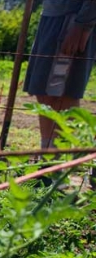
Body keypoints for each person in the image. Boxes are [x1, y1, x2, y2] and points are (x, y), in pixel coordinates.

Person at [24, 0, 96, 151]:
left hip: (73, 18)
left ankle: (60, 160)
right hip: (51, 15)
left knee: (61, 93)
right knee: (43, 91)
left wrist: (82, 24)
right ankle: (47, 156)